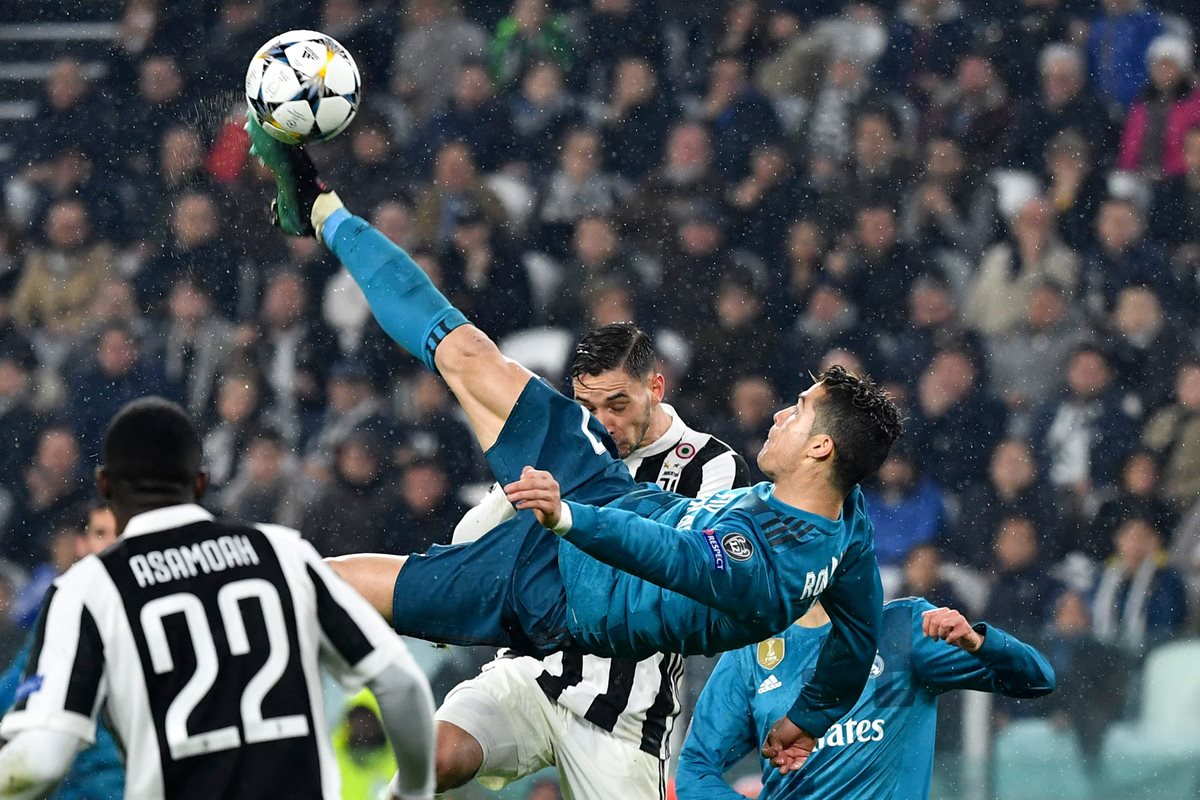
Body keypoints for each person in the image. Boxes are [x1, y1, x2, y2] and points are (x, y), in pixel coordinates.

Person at [247, 117, 904, 772]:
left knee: (388, 594)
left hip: (563, 594)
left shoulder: (763, 567)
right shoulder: (848, 523)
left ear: (822, 449)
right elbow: (856, 636)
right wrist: (808, 719)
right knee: (469, 354)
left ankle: (234, 602)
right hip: (595, 484)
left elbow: (673, 556)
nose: (781, 414)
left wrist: (568, 518)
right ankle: (321, 208)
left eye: (799, 412)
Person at [0, 398, 435, 800]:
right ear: (202, 481)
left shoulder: (87, 589)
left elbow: (39, 762)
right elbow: (400, 683)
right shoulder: (282, 553)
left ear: (105, 485)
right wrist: (411, 792)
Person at [437, 323, 749, 798]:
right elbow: (468, 541)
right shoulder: (565, 447)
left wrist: (572, 517)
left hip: (626, 711)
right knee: (436, 756)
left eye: (618, 406)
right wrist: (517, 491)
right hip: (532, 670)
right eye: (587, 408)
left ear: (655, 388)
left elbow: (697, 579)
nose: (603, 423)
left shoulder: (712, 466)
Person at [676, 599, 1055, 798]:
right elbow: (695, 769)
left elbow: (1036, 679)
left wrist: (978, 642)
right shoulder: (753, 651)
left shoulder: (900, 627)